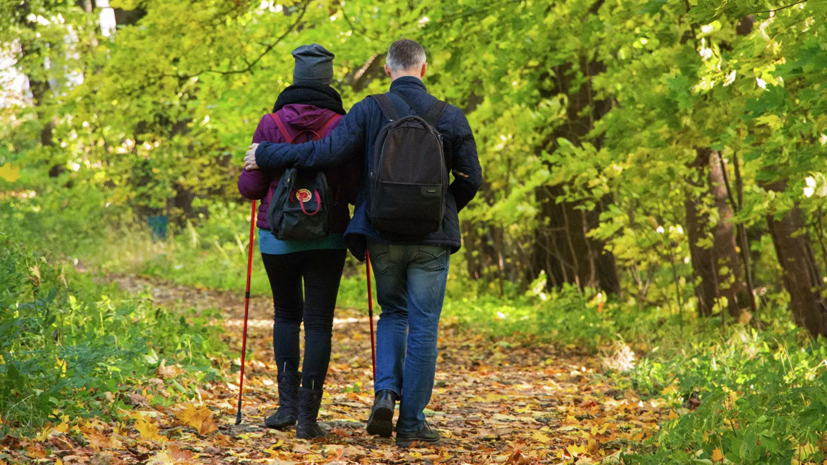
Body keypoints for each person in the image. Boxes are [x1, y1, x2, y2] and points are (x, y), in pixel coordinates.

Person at [243, 39, 482, 447]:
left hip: (383, 235)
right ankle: (411, 423)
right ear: (424, 70)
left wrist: (266, 153)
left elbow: (325, 152)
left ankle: (384, 393)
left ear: (387, 71)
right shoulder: (451, 116)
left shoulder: (369, 109)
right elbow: (471, 179)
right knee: (424, 326)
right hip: (432, 239)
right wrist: (442, 210)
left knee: (392, 313)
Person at [237, 44, 358, 440]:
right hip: (329, 233)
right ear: (328, 79)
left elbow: (251, 187)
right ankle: (309, 417)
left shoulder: (271, 122)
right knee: (320, 322)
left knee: (287, 315)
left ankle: (286, 406)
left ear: (295, 76)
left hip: (278, 236)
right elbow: (354, 185)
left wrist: (261, 164)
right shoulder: (343, 124)